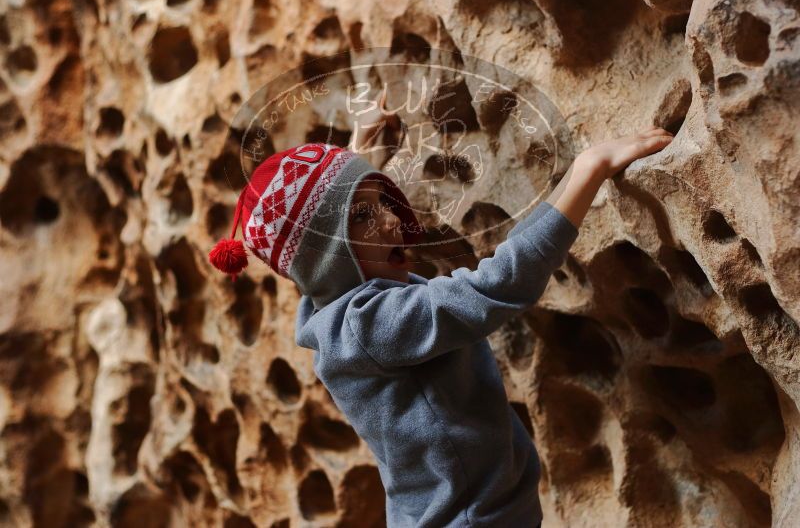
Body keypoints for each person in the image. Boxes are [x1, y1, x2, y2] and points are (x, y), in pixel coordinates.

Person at [208, 99, 674, 526]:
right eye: (365, 215)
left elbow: (317, 248)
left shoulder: (330, 308)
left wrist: (358, 162)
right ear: (329, 258)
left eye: (378, 204)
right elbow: (499, 284)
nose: (392, 219)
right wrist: (587, 172)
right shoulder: (373, 325)